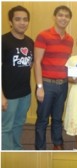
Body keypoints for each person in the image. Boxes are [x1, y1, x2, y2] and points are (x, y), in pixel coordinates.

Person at [34, 5, 74, 150]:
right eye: (60, 15)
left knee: (57, 119)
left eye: (66, 16)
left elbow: (67, 64)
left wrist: (73, 78)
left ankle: (57, 145)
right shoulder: (43, 35)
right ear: (55, 17)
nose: (63, 18)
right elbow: (37, 62)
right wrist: (39, 87)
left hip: (63, 85)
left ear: (69, 19)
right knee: (43, 120)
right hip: (46, 84)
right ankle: (40, 148)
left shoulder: (70, 39)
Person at [2, 5, 34, 150]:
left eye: (25, 19)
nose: (22, 22)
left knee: (19, 123)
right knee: (6, 127)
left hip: (25, 94)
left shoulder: (29, 42)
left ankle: (16, 148)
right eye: (18, 19)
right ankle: (6, 152)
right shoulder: (3, 41)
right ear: (10, 22)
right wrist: (1, 95)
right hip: (8, 95)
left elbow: (30, 64)